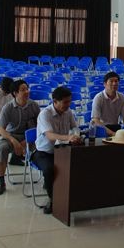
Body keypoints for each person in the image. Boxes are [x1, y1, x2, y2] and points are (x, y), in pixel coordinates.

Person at [32, 86, 81, 214]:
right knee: (49, 169)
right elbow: (50, 136)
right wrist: (68, 137)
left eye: (69, 101)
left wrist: (76, 135)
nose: (68, 105)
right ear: (55, 101)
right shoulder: (45, 114)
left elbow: (74, 127)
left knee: (78, 164)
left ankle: (73, 197)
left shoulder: (68, 112)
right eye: (65, 102)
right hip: (44, 152)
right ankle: (53, 199)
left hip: (62, 149)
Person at [0, 80, 40, 196]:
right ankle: (1, 182)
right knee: (2, 148)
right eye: (23, 90)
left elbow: (40, 127)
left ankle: (47, 178)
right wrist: (14, 141)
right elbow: (1, 129)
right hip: (12, 136)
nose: (27, 92)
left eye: (27, 89)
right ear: (15, 93)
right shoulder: (8, 107)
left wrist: (26, 142)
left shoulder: (34, 106)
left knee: (46, 146)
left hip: (30, 137)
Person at [90, 71, 124, 137]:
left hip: (115, 126)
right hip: (101, 128)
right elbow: (96, 120)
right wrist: (112, 133)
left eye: (116, 81)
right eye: (111, 81)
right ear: (105, 84)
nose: (114, 84)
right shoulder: (98, 98)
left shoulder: (122, 97)